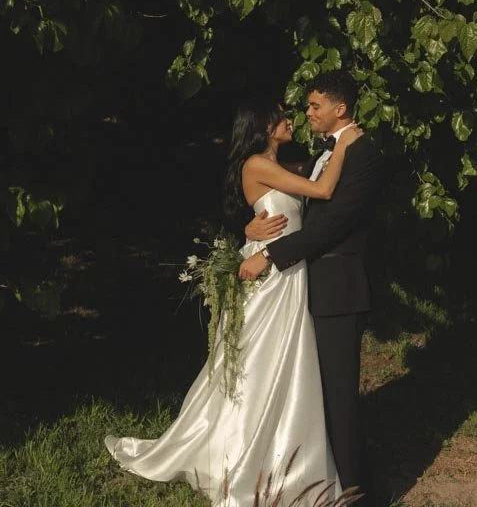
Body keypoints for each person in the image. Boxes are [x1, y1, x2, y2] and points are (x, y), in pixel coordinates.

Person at [105, 98, 363, 506]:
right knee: (257, 361)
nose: (290, 121)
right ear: (264, 126)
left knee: (287, 359)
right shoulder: (256, 164)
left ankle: (285, 446)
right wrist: (347, 141)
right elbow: (323, 188)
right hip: (270, 275)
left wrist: (251, 228)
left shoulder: (281, 165)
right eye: (280, 117)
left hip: (289, 273)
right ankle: (242, 447)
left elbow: (307, 188)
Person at [239, 71, 383, 502]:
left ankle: (351, 486)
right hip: (305, 286)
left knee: (339, 389)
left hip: (338, 285)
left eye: (314, 105)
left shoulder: (364, 153)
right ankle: (313, 472)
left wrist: (270, 255)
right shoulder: (321, 153)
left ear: (340, 108)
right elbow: (293, 203)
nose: (307, 113)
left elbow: (335, 224)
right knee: (312, 386)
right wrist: (252, 229)